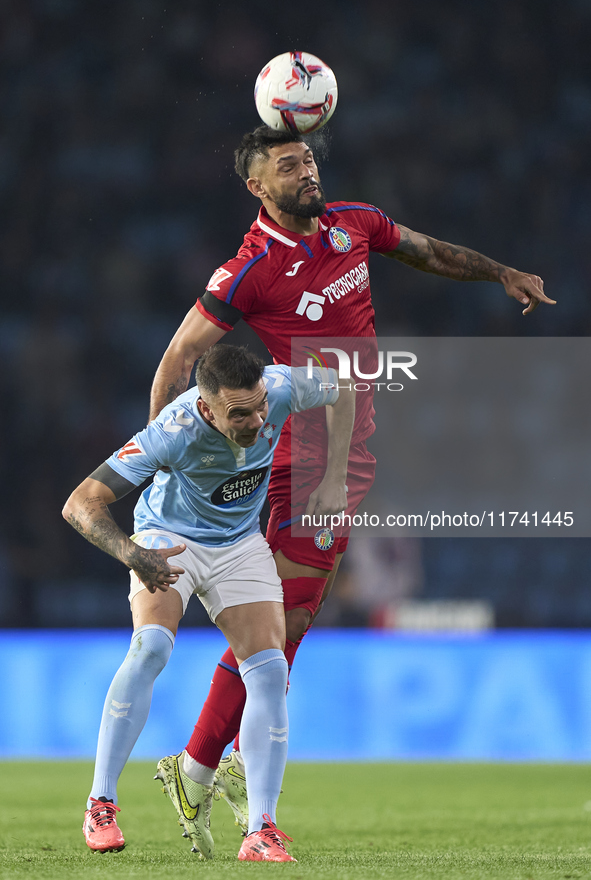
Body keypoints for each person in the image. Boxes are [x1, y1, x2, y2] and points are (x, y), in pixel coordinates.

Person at [148, 125, 556, 834]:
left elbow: (427, 251)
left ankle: (196, 766)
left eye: (307, 158)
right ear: (256, 187)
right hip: (301, 452)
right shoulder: (248, 269)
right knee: (278, 621)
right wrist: (161, 454)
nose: (306, 170)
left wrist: (499, 271)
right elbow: (179, 353)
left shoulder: (352, 223)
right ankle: (219, 773)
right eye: (287, 165)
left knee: (291, 616)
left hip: (350, 447)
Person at [62, 344, 354, 862]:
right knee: (151, 648)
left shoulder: (281, 386)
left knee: (268, 671)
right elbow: (80, 503)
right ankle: (100, 802)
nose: (256, 420)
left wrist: (334, 478)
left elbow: (344, 385)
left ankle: (260, 830)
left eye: (260, 407)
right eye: (239, 413)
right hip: (166, 539)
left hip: (238, 543)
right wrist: (132, 553)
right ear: (205, 406)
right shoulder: (171, 431)